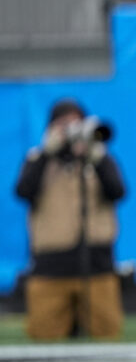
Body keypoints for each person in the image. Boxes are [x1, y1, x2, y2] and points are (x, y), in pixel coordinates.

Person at [14, 99, 126, 340]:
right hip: (50, 265)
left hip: (97, 263)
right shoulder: (38, 159)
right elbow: (23, 191)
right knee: (44, 338)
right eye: (64, 125)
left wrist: (97, 159)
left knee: (106, 336)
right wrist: (47, 152)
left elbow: (118, 191)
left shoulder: (99, 160)